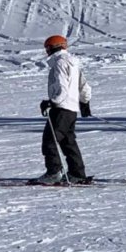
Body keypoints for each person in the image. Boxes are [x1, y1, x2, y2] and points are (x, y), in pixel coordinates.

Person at [36, 35, 92, 184]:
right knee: (68, 142)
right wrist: (84, 102)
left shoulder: (60, 63)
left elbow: (62, 88)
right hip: (71, 110)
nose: (46, 51)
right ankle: (77, 173)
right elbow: (84, 86)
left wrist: (52, 102)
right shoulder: (73, 63)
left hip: (61, 108)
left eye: (47, 48)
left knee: (50, 140)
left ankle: (54, 172)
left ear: (52, 48)